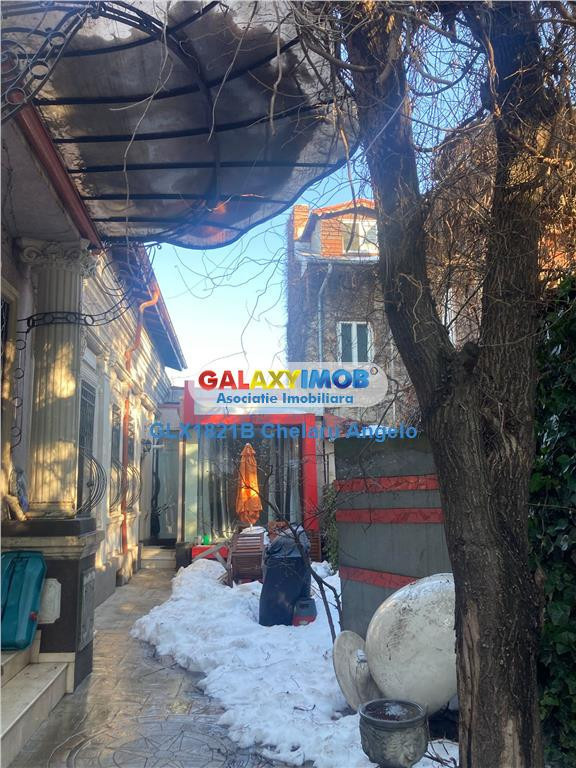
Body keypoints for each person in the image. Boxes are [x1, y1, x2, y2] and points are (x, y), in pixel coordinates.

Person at [258, 524, 311, 626]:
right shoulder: (298, 538)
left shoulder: (278, 544)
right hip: (299, 562)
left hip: (277, 566)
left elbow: (268, 556)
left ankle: (270, 620)